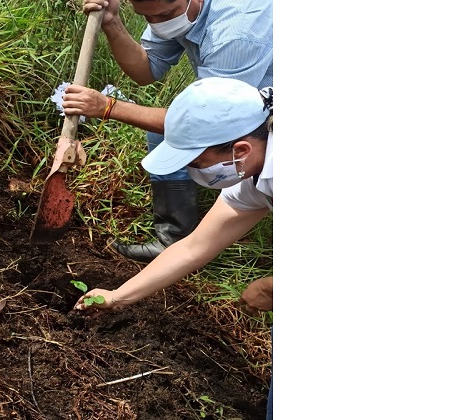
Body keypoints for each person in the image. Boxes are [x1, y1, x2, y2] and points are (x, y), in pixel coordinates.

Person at [73, 77, 274, 420]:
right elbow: (195, 246)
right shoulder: (255, 165)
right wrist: (117, 296)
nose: (194, 172)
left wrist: (272, 286)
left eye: (196, 163)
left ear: (240, 150)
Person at [61, 0, 273, 263]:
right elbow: (146, 70)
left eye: (165, 14)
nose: (158, 23)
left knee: (176, 135)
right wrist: (112, 23)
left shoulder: (237, 33)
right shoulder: (169, 9)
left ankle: (191, 242)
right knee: (164, 135)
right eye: (147, 17)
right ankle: (173, 239)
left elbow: (209, 120)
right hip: (250, 104)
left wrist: (107, 106)